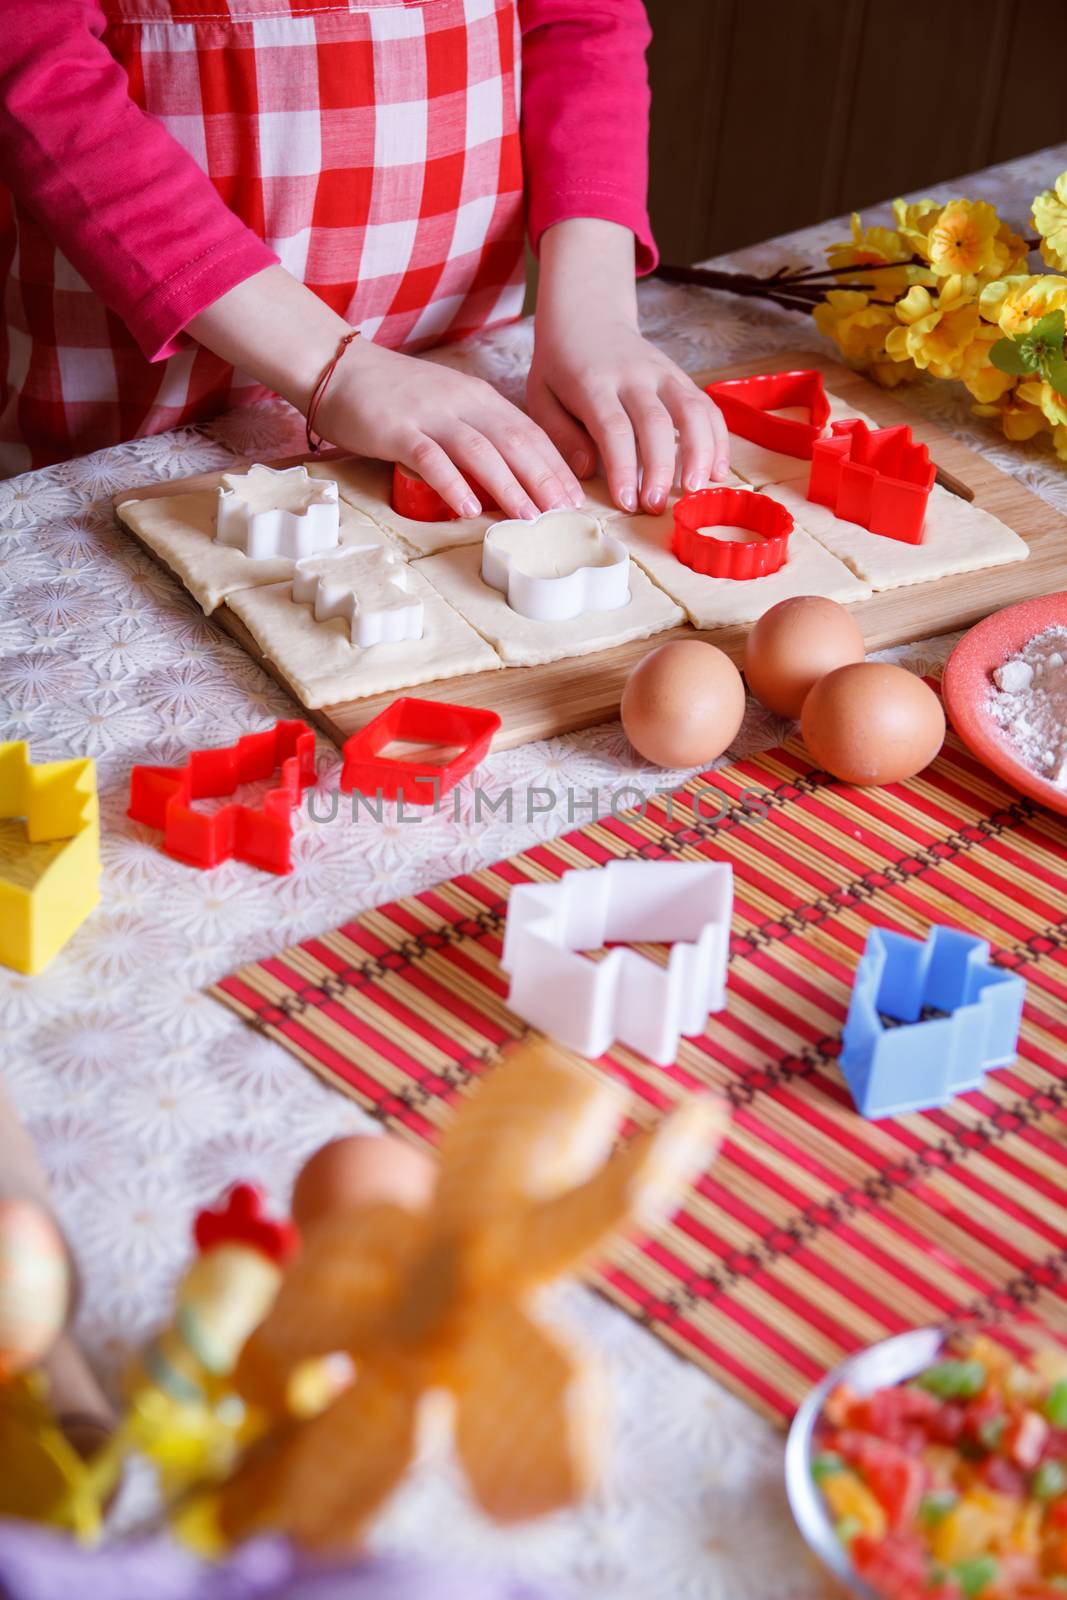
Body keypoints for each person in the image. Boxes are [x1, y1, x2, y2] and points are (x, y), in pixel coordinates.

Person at [0, 0, 729, 515]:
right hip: (140, 410)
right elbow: (33, 63)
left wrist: (595, 311)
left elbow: (581, 19)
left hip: (449, 358)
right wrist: (331, 365)